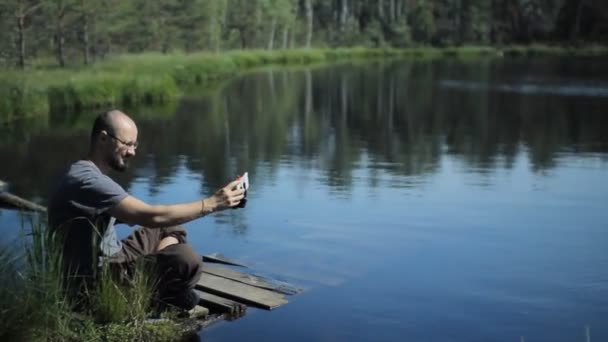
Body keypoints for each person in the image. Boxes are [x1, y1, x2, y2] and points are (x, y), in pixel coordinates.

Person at [48, 109, 245, 312]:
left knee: (169, 226)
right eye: (127, 144)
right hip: (97, 278)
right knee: (186, 258)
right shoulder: (87, 180)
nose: (133, 152)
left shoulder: (85, 172)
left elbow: (150, 217)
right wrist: (212, 203)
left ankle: (161, 285)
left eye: (135, 145)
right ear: (103, 138)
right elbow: (151, 215)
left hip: (113, 257)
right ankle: (160, 293)